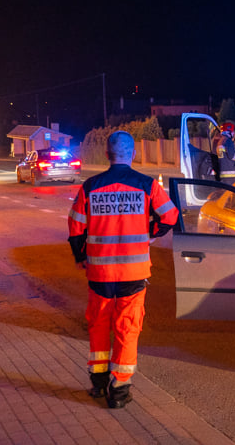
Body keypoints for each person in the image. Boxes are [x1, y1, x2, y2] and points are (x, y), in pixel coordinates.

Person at [68, 131, 178, 409]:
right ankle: (119, 389)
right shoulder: (147, 185)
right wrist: (150, 233)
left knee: (98, 324)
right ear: (134, 154)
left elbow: (76, 227)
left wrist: (81, 256)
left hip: (99, 274)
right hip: (134, 273)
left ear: (106, 154)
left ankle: (98, 381)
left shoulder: (91, 186)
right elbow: (170, 215)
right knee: (127, 329)